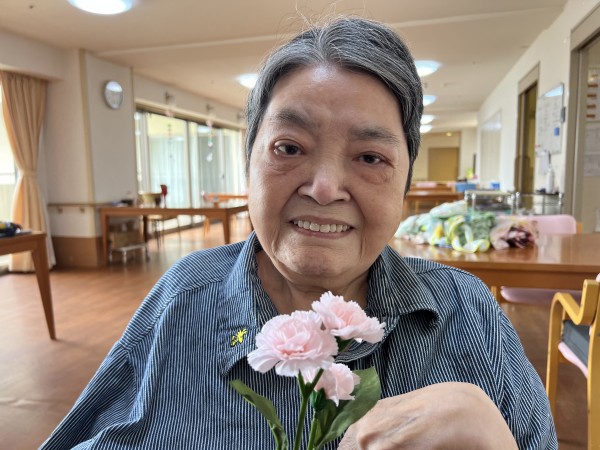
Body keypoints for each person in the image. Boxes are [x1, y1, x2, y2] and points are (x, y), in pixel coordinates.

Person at [40, 16, 557, 450]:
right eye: (289, 148)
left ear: (405, 184)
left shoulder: (468, 315)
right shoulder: (184, 298)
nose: (325, 188)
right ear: (249, 166)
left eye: (370, 157)